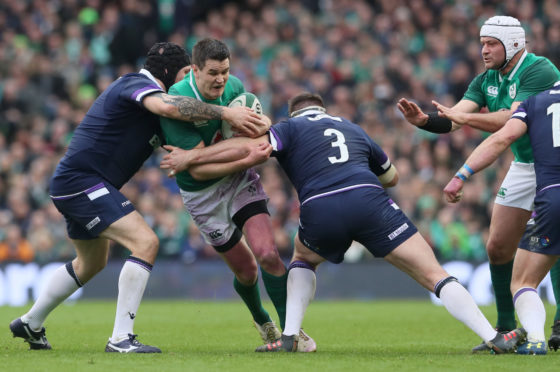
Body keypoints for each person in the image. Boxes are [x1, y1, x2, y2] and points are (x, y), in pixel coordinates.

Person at [161, 92, 527, 354]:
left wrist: (193, 157)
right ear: (323, 109)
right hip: (370, 201)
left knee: (303, 260)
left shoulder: (287, 128)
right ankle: (493, 335)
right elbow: (393, 177)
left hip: (322, 208)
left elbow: (251, 150)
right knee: (433, 273)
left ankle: (289, 336)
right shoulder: (352, 128)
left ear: (295, 112)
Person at [9, 42, 268, 353]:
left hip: (78, 184)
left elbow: (192, 151)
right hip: (83, 181)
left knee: (90, 264)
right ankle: (120, 338)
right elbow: (169, 106)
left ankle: (30, 322)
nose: (188, 83)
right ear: (172, 73)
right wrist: (226, 112)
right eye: (186, 74)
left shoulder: (160, 112)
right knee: (145, 242)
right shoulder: (135, 84)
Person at [397, 15, 560, 352]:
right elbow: (454, 118)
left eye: (491, 44)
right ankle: (505, 329)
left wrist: (463, 119)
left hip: (551, 165)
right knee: (497, 246)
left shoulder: (538, 69)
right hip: (524, 164)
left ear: (513, 44)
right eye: (482, 43)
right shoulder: (485, 79)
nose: (483, 50)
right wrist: (425, 121)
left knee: (556, 244)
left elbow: (512, 119)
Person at [158, 38, 315, 351]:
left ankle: (291, 335)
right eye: (213, 72)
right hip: (202, 194)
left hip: (240, 180)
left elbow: (260, 130)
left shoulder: (235, 88)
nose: (221, 79)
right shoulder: (176, 101)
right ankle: (260, 317)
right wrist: (245, 155)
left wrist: (250, 142)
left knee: (268, 255)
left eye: (225, 71)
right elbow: (199, 171)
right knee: (247, 270)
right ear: (194, 70)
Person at [443, 81, 560, 355]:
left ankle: (534, 339)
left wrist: (462, 175)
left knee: (522, 281)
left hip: (554, 195)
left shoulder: (534, 103)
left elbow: (501, 139)